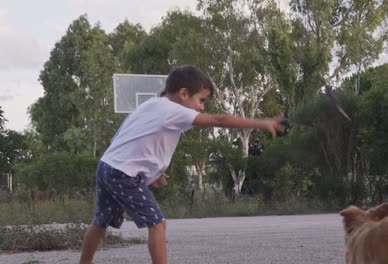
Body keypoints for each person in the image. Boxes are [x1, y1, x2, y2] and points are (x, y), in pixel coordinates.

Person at [79, 65, 284, 264]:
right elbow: (220, 120)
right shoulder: (174, 110)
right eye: (201, 100)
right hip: (123, 174)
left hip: (106, 166)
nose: (201, 107)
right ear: (184, 93)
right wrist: (261, 123)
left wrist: (156, 172)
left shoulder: (150, 105)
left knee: (100, 222)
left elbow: (129, 138)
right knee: (157, 223)